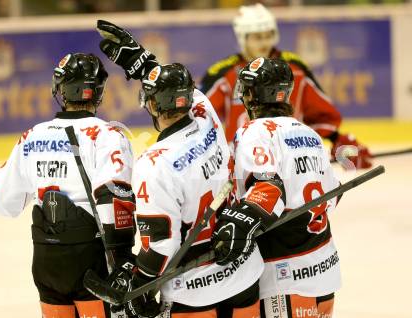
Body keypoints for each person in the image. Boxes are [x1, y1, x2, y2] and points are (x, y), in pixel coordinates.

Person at [96, 20, 264, 318]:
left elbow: (162, 245)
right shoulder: (206, 115)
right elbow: (185, 92)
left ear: (151, 105)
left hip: (194, 290)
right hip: (244, 271)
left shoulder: (153, 164)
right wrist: (142, 62)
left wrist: (140, 284)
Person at [0, 53, 135, 318]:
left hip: (47, 260)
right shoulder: (108, 136)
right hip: (92, 260)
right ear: (98, 91)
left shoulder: (32, 136)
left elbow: (0, 201)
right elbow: (114, 199)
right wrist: (124, 261)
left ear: (60, 89)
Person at [211, 57, 341, 318]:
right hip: (324, 268)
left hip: (284, 273)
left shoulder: (255, 132)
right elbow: (333, 194)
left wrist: (237, 223)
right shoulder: (309, 134)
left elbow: (267, 192)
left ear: (252, 95)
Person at [200, 3, 372, 169]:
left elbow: (321, 115)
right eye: (257, 37)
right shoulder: (223, 73)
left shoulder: (295, 69)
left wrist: (340, 143)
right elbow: (200, 118)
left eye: (268, 35)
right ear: (242, 38)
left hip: (290, 160)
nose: (264, 42)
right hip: (244, 162)